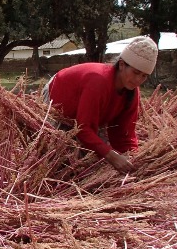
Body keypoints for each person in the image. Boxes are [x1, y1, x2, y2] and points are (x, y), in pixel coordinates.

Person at [43, 36, 158, 173]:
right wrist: (111, 156)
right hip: (59, 100)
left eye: (144, 76)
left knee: (96, 159)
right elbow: (82, 128)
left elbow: (125, 134)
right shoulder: (99, 82)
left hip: (90, 112)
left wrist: (133, 160)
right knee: (60, 156)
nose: (138, 80)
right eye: (136, 72)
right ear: (121, 65)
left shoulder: (131, 91)